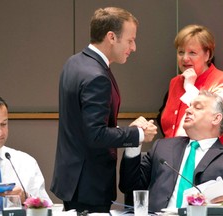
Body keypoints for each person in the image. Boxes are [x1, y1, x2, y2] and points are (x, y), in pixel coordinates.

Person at [50, 7, 157, 213]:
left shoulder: (74, 62)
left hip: (72, 179)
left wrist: (122, 129)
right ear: (111, 37)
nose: (133, 47)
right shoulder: (97, 76)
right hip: (90, 184)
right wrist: (138, 133)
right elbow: (96, 134)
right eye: (130, 40)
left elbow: (85, 123)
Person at [119, 90, 223, 212]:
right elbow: (129, 186)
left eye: (197, 107)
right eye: (189, 106)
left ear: (216, 118)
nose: (188, 110)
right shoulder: (162, 147)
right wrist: (134, 141)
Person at [160, 24, 223, 148]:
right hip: (174, 156)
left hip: (211, 158)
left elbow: (214, 120)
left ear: (207, 55)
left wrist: (190, 88)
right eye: (181, 52)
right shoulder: (175, 82)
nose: (185, 58)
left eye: (192, 53)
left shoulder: (221, 80)